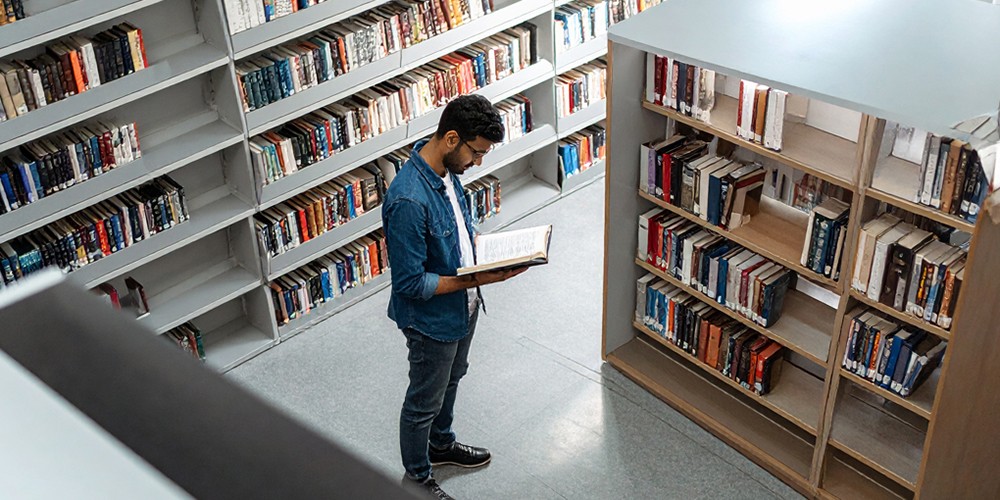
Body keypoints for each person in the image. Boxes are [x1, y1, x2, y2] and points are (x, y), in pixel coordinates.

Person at [382, 94, 527, 500]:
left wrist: (487, 251)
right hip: (432, 320)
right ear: (450, 139)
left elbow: (462, 226)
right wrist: (479, 279)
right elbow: (411, 284)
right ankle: (417, 479)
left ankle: (441, 445)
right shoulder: (409, 200)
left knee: (452, 378)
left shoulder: (447, 173)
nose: (478, 162)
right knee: (423, 400)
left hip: (464, 306)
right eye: (476, 153)